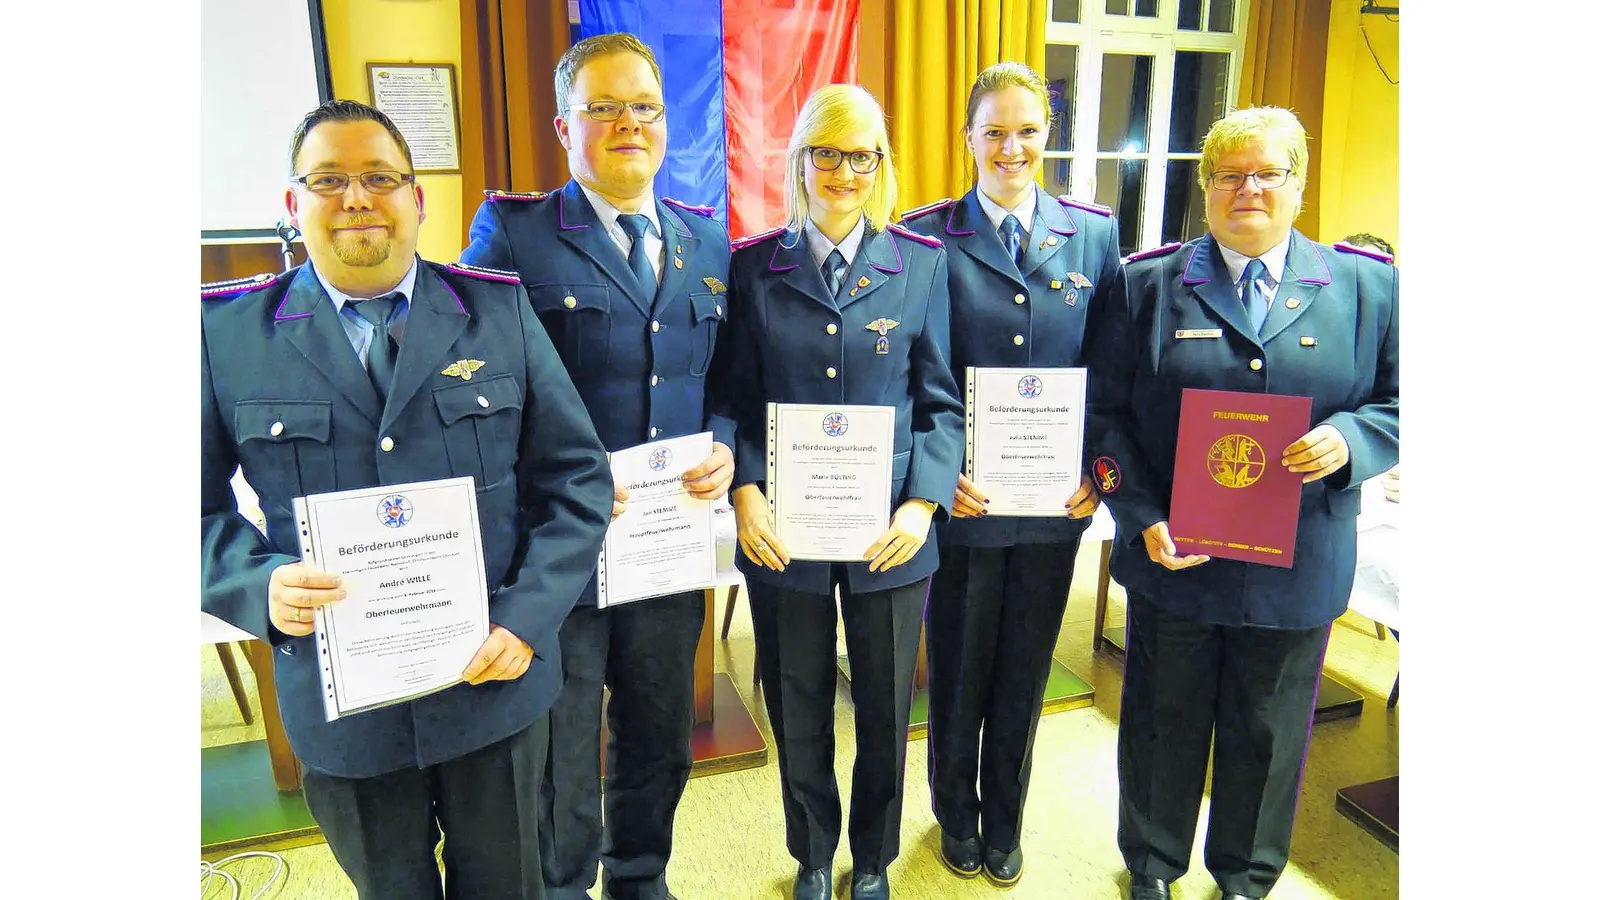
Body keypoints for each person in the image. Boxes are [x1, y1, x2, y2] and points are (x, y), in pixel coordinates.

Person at [200, 99, 614, 899]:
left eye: (380, 177)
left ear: (418, 199)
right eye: (328, 180)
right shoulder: (227, 335)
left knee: (507, 886)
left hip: (493, 681)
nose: (356, 197)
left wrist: (527, 620)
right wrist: (255, 586)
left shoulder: (498, 311)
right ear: (294, 204)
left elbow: (577, 481)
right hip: (342, 699)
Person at [1084, 106, 1398, 900]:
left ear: (1298, 183)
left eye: (1268, 172)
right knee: (1162, 723)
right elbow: (1105, 417)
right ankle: (1151, 866)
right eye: (1229, 174)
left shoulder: (1368, 287)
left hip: (1298, 560)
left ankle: (1246, 878)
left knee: (1268, 731)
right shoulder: (1146, 285)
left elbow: (1402, 402)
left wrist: (1353, 442)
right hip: (1175, 557)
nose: (1247, 188)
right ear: (1207, 187)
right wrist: (1142, 515)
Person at [458, 32, 734, 900]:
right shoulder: (516, 231)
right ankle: (566, 884)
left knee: (659, 732)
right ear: (563, 126)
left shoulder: (706, 239)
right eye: (604, 107)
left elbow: (726, 378)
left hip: (665, 546)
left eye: (644, 108)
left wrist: (724, 442)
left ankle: (641, 872)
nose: (628, 124)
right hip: (558, 551)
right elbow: (475, 387)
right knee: (562, 748)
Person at [714, 84, 964, 900]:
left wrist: (922, 504)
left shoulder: (921, 265)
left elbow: (941, 404)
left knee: (887, 707)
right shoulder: (753, 268)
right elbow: (733, 395)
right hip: (783, 531)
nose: (844, 170)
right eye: (827, 152)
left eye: (862, 155)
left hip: (889, 532)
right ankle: (814, 851)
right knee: (798, 696)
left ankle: (877, 857)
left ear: (881, 165)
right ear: (801, 162)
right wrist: (744, 490)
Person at [899, 60, 1120, 889]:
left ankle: (1006, 818)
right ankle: (955, 814)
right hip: (964, 500)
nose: (1011, 146)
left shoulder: (1093, 235)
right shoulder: (926, 235)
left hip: (1052, 503)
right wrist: (934, 471)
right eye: (994, 130)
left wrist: (1100, 473)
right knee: (956, 664)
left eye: (1027, 130)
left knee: (1026, 664)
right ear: (968, 138)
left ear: (1048, 137)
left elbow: (1112, 365)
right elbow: (918, 372)